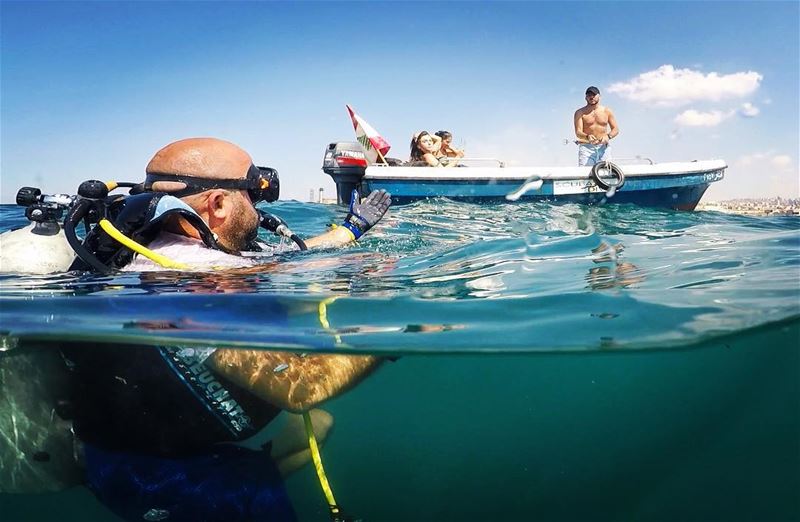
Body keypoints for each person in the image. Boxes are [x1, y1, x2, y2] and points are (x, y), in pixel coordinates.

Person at [59, 137, 393, 521]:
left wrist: (350, 230)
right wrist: (398, 330)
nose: (258, 206)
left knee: (320, 424)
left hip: (147, 451)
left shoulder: (168, 249)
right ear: (218, 203)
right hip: (158, 477)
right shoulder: (190, 290)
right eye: (252, 193)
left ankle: (258, 472)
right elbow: (299, 388)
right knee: (295, 442)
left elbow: (279, 265)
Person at [573, 86, 619, 166]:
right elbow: (578, 132)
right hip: (586, 147)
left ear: (599, 96)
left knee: (606, 174)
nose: (591, 97)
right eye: (589, 95)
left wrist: (608, 136)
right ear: (585, 97)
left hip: (603, 148)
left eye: (594, 94)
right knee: (585, 174)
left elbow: (615, 129)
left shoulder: (607, 111)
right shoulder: (579, 112)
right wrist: (587, 136)